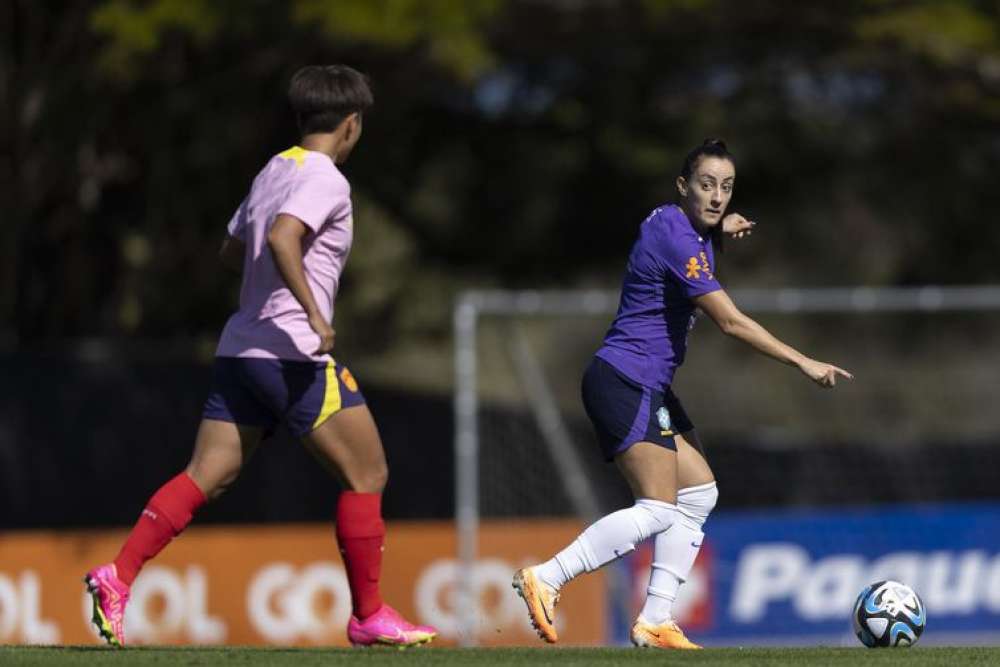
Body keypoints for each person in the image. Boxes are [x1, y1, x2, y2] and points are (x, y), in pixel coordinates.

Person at [84, 65, 437, 649]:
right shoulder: (327, 178)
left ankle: (116, 577)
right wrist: (315, 313)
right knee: (368, 472)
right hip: (292, 355)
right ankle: (369, 614)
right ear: (351, 125)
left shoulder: (275, 168)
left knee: (207, 476)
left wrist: (267, 284)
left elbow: (234, 248)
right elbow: (279, 238)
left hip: (241, 349)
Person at [512, 139, 852, 650]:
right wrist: (802, 361)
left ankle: (655, 619)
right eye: (706, 185)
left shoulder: (678, 224)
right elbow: (731, 322)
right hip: (625, 379)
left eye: (727, 187)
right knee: (656, 508)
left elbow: (697, 233)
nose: (717, 196)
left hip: (649, 383)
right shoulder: (676, 236)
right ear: (682, 186)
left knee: (698, 495)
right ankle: (549, 577)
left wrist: (720, 227)